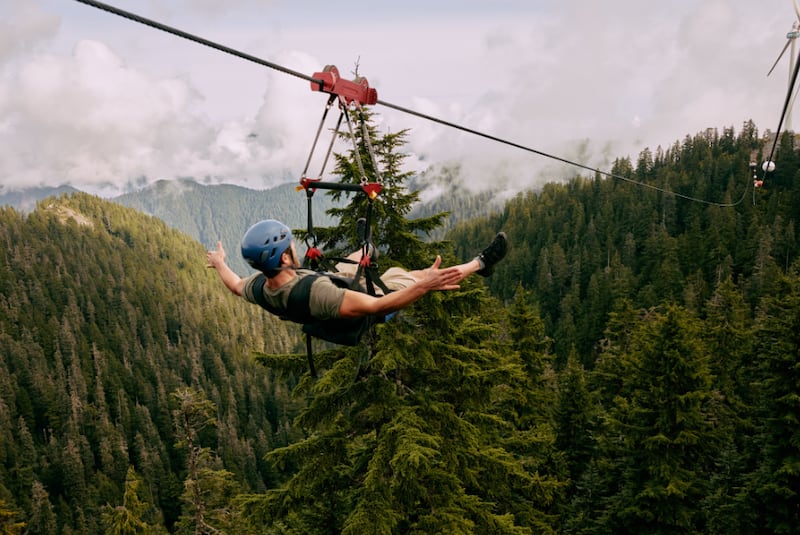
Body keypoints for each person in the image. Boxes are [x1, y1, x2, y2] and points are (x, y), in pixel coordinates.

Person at [206, 219, 507, 322]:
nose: (295, 248)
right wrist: (423, 287)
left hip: (319, 284)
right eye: (290, 247)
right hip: (355, 303)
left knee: (347, 264)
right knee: (415, 275)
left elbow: (234, 285)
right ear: (284, 259)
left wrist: (220, 263)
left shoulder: (259, 286)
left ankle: (368, 248)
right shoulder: (320, 295)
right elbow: (377, 306)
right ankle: (480, 264)